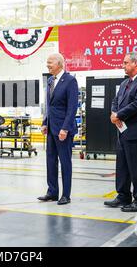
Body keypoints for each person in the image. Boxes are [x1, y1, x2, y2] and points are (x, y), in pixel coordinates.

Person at [106, 53, 137, 212]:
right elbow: (115, 101)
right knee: (122, 166)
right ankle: (123, 196)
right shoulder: (125, 83)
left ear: (135, 63)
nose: (123, 65)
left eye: (126, 62)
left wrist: (119, 115)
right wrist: (114, 113)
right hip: (124, 132)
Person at [38, 53, 78, 205]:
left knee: (65, 162)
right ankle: (52, 192)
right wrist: (44, 122)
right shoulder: (50, 81)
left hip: (63, 130)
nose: (48, 65)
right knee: (51, 160)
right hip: (51, 128)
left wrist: (65, 128)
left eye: (50, 62)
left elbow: (72, 108)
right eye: (47, 62)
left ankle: (65, 194)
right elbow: (49, 106)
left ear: (60, 63)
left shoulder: (70, 81)